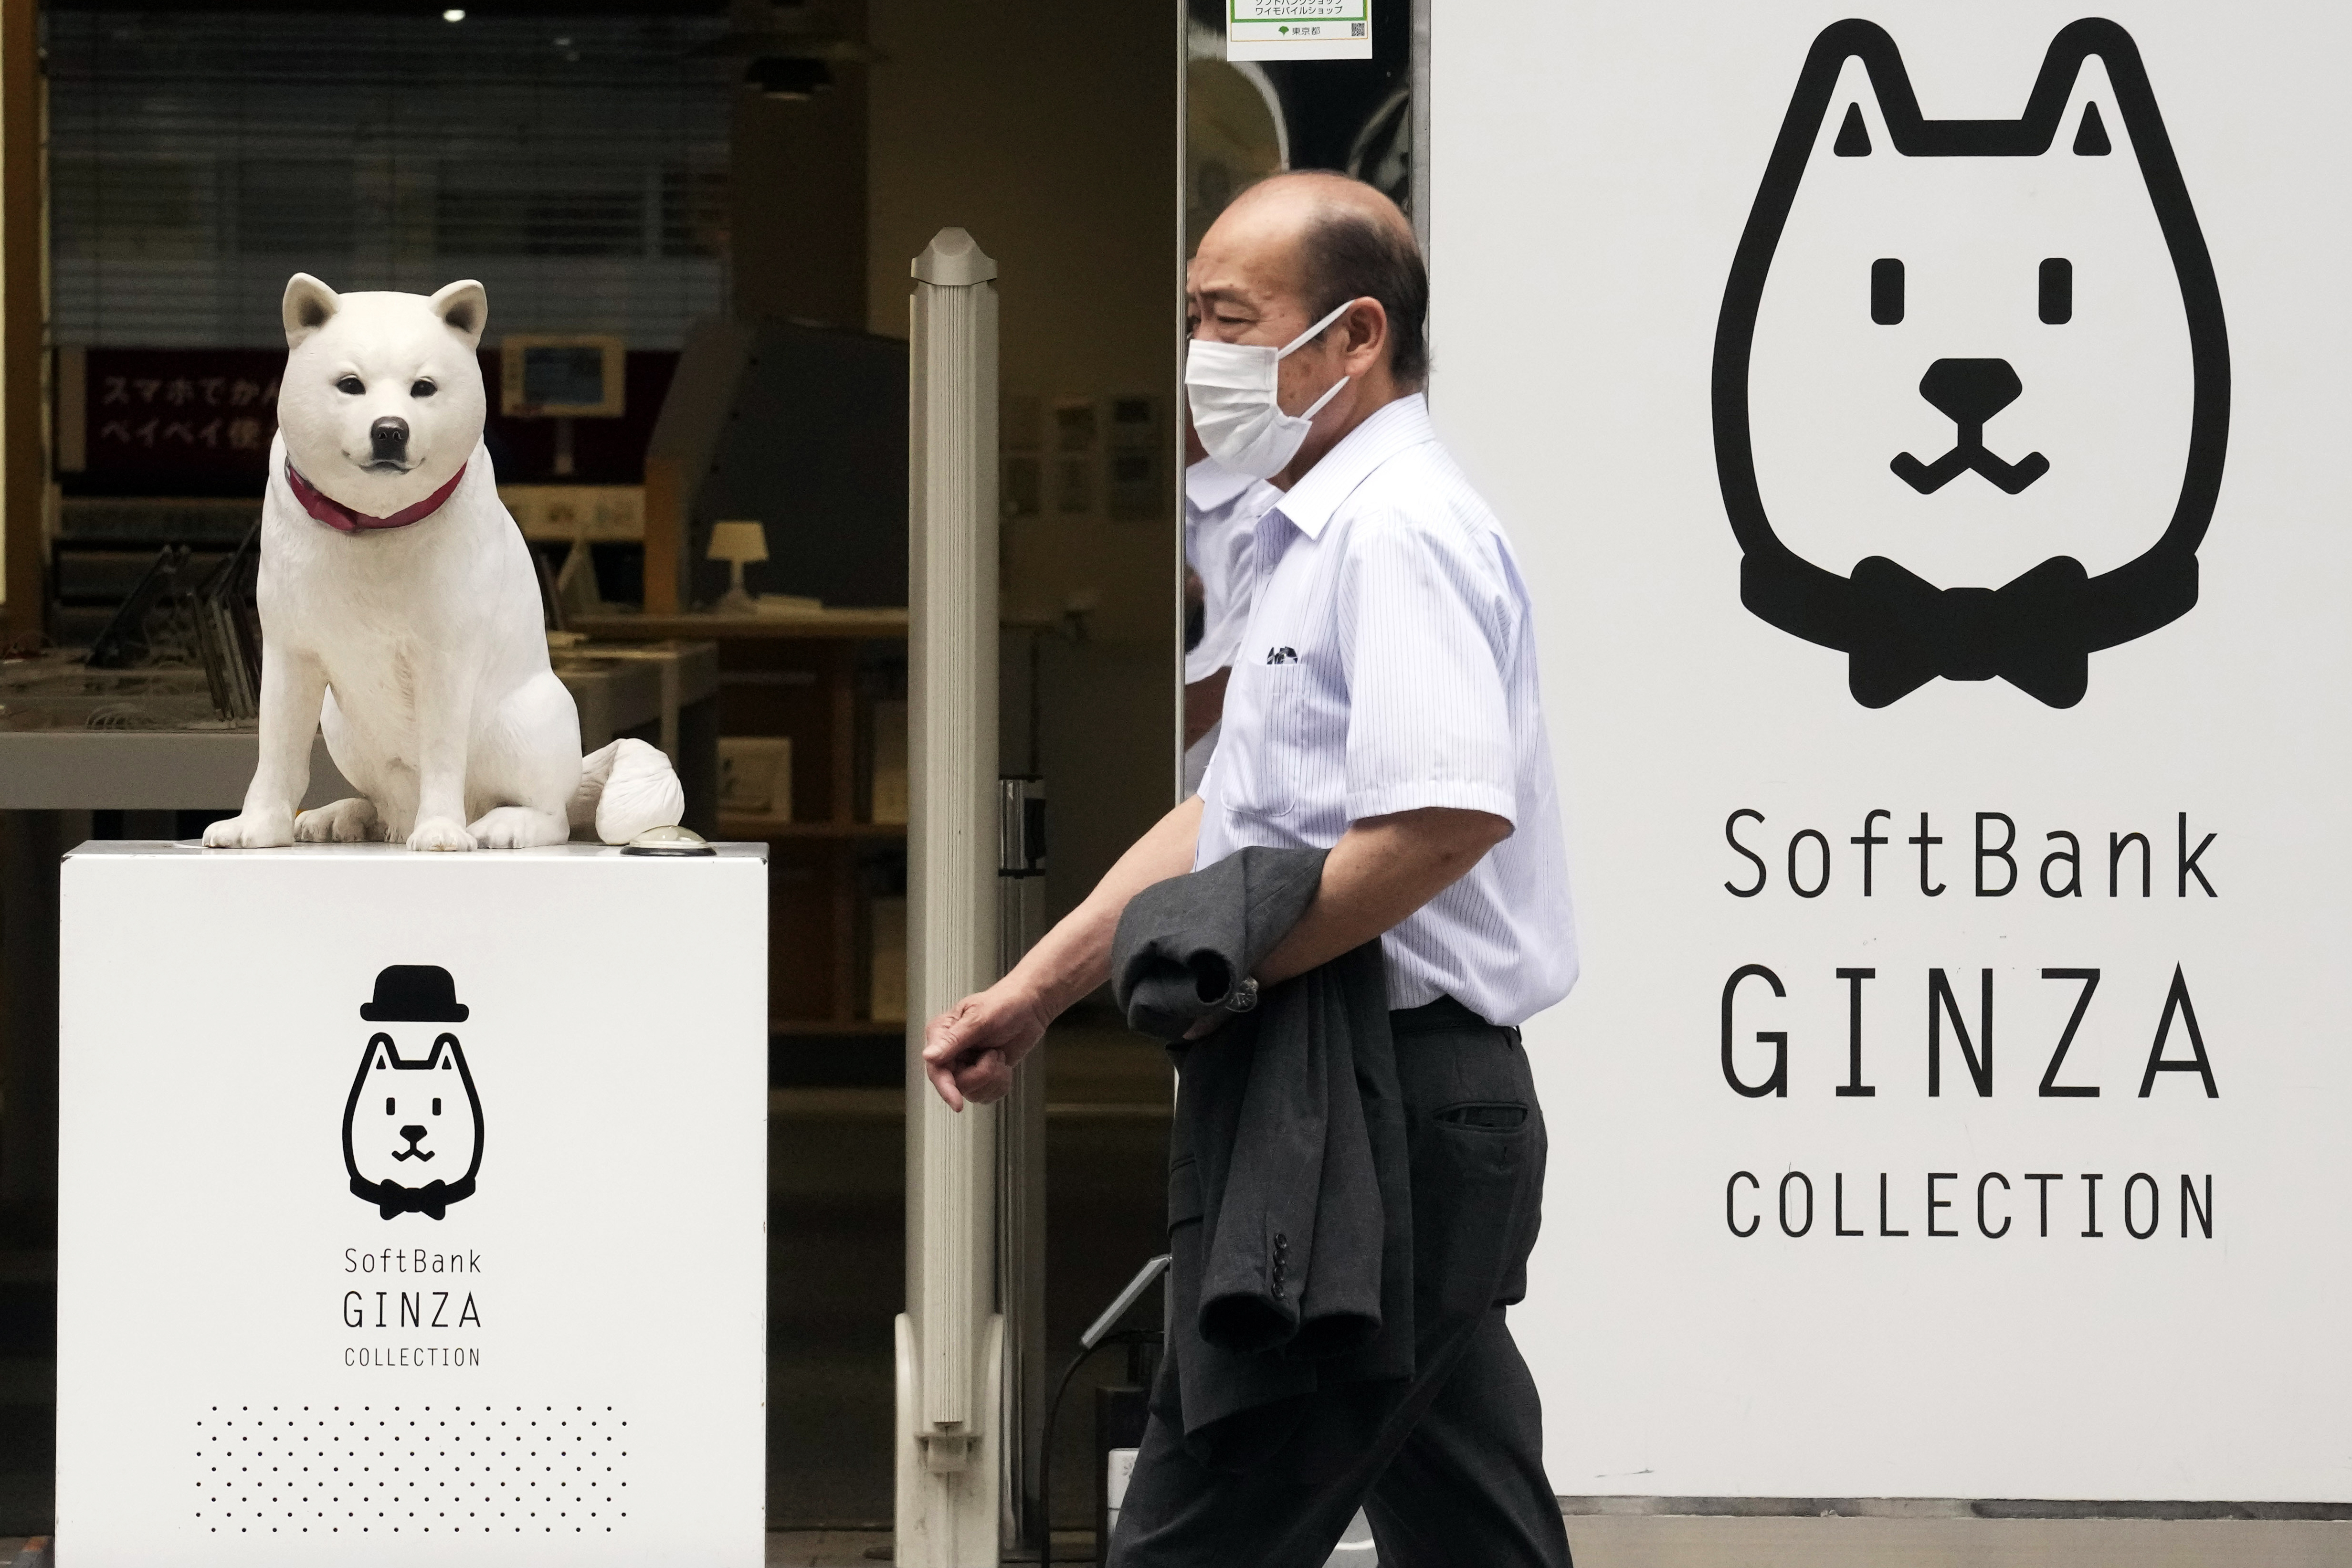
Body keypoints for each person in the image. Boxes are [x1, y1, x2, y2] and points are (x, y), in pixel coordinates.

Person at [922, 170, 1577, 1568]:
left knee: (1193, 1530)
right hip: (1374, 1109)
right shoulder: (1303, 528)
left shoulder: (1395, 531)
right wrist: (1040, 991)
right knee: (1475, 1534)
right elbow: (1231, 814)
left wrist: (1230, 963)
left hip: (1372, 1114)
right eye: (1193, 317)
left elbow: (1442, 822)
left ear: (1352, 339)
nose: (1202, 355)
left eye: (1230, 318)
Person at [1180, 424, 1277, 794]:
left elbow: (1226, 676)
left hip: (1218, 798)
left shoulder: (1261, 514)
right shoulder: (1186, 501)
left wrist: (1128, 759)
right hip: (1190, 797)